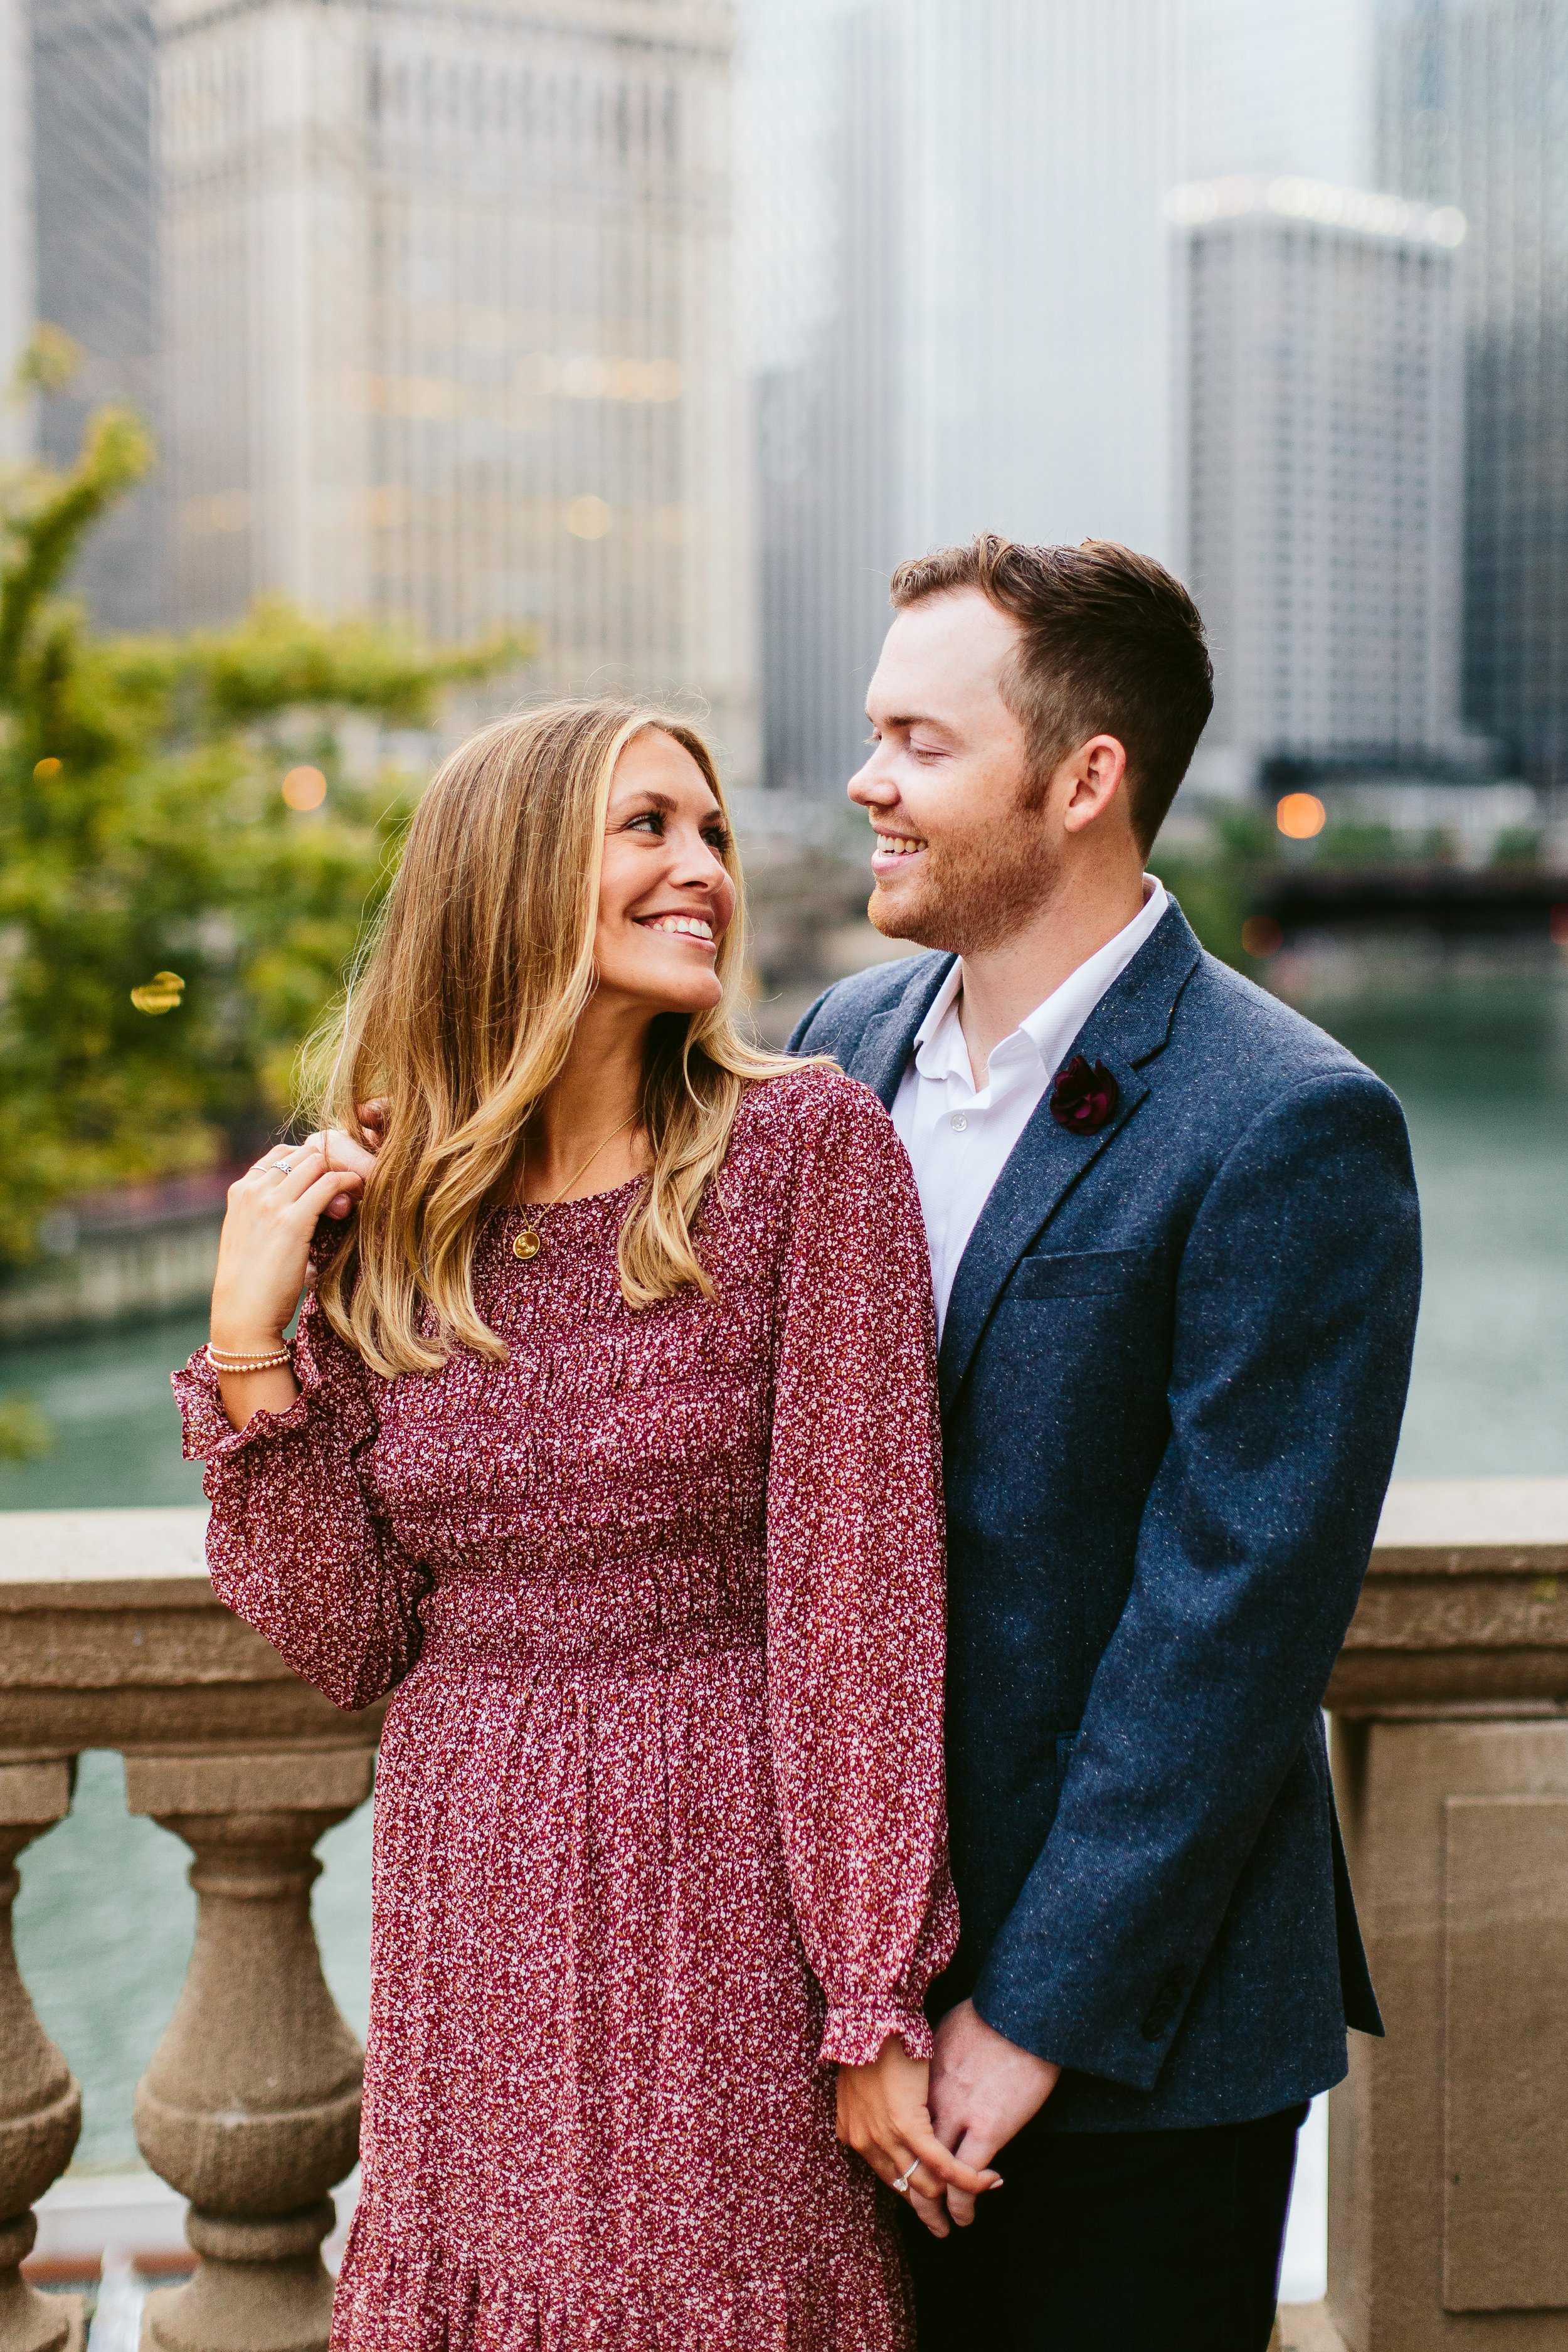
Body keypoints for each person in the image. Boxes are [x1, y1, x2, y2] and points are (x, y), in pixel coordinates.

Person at [172, 699, 989, 2350]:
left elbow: (862, 1604)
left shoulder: (804, 1151)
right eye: (647, 828)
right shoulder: (397, 1203)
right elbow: (351, 1638)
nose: (702, 870)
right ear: (512, 873)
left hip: (719, 1875)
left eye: (712, 835)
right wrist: (252, 1348)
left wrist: (871, 1995)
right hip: (467, 1878)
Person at [791, 537, 1422, 2351]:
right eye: (873, 733)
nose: (867, 782)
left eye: (920, 742)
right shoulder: (839, 1045)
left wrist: (1032, 2015)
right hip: (841, 2026)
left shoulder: (1289, 1119)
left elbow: (1233, 1622)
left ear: (1084, 780)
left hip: (1140, 2056)